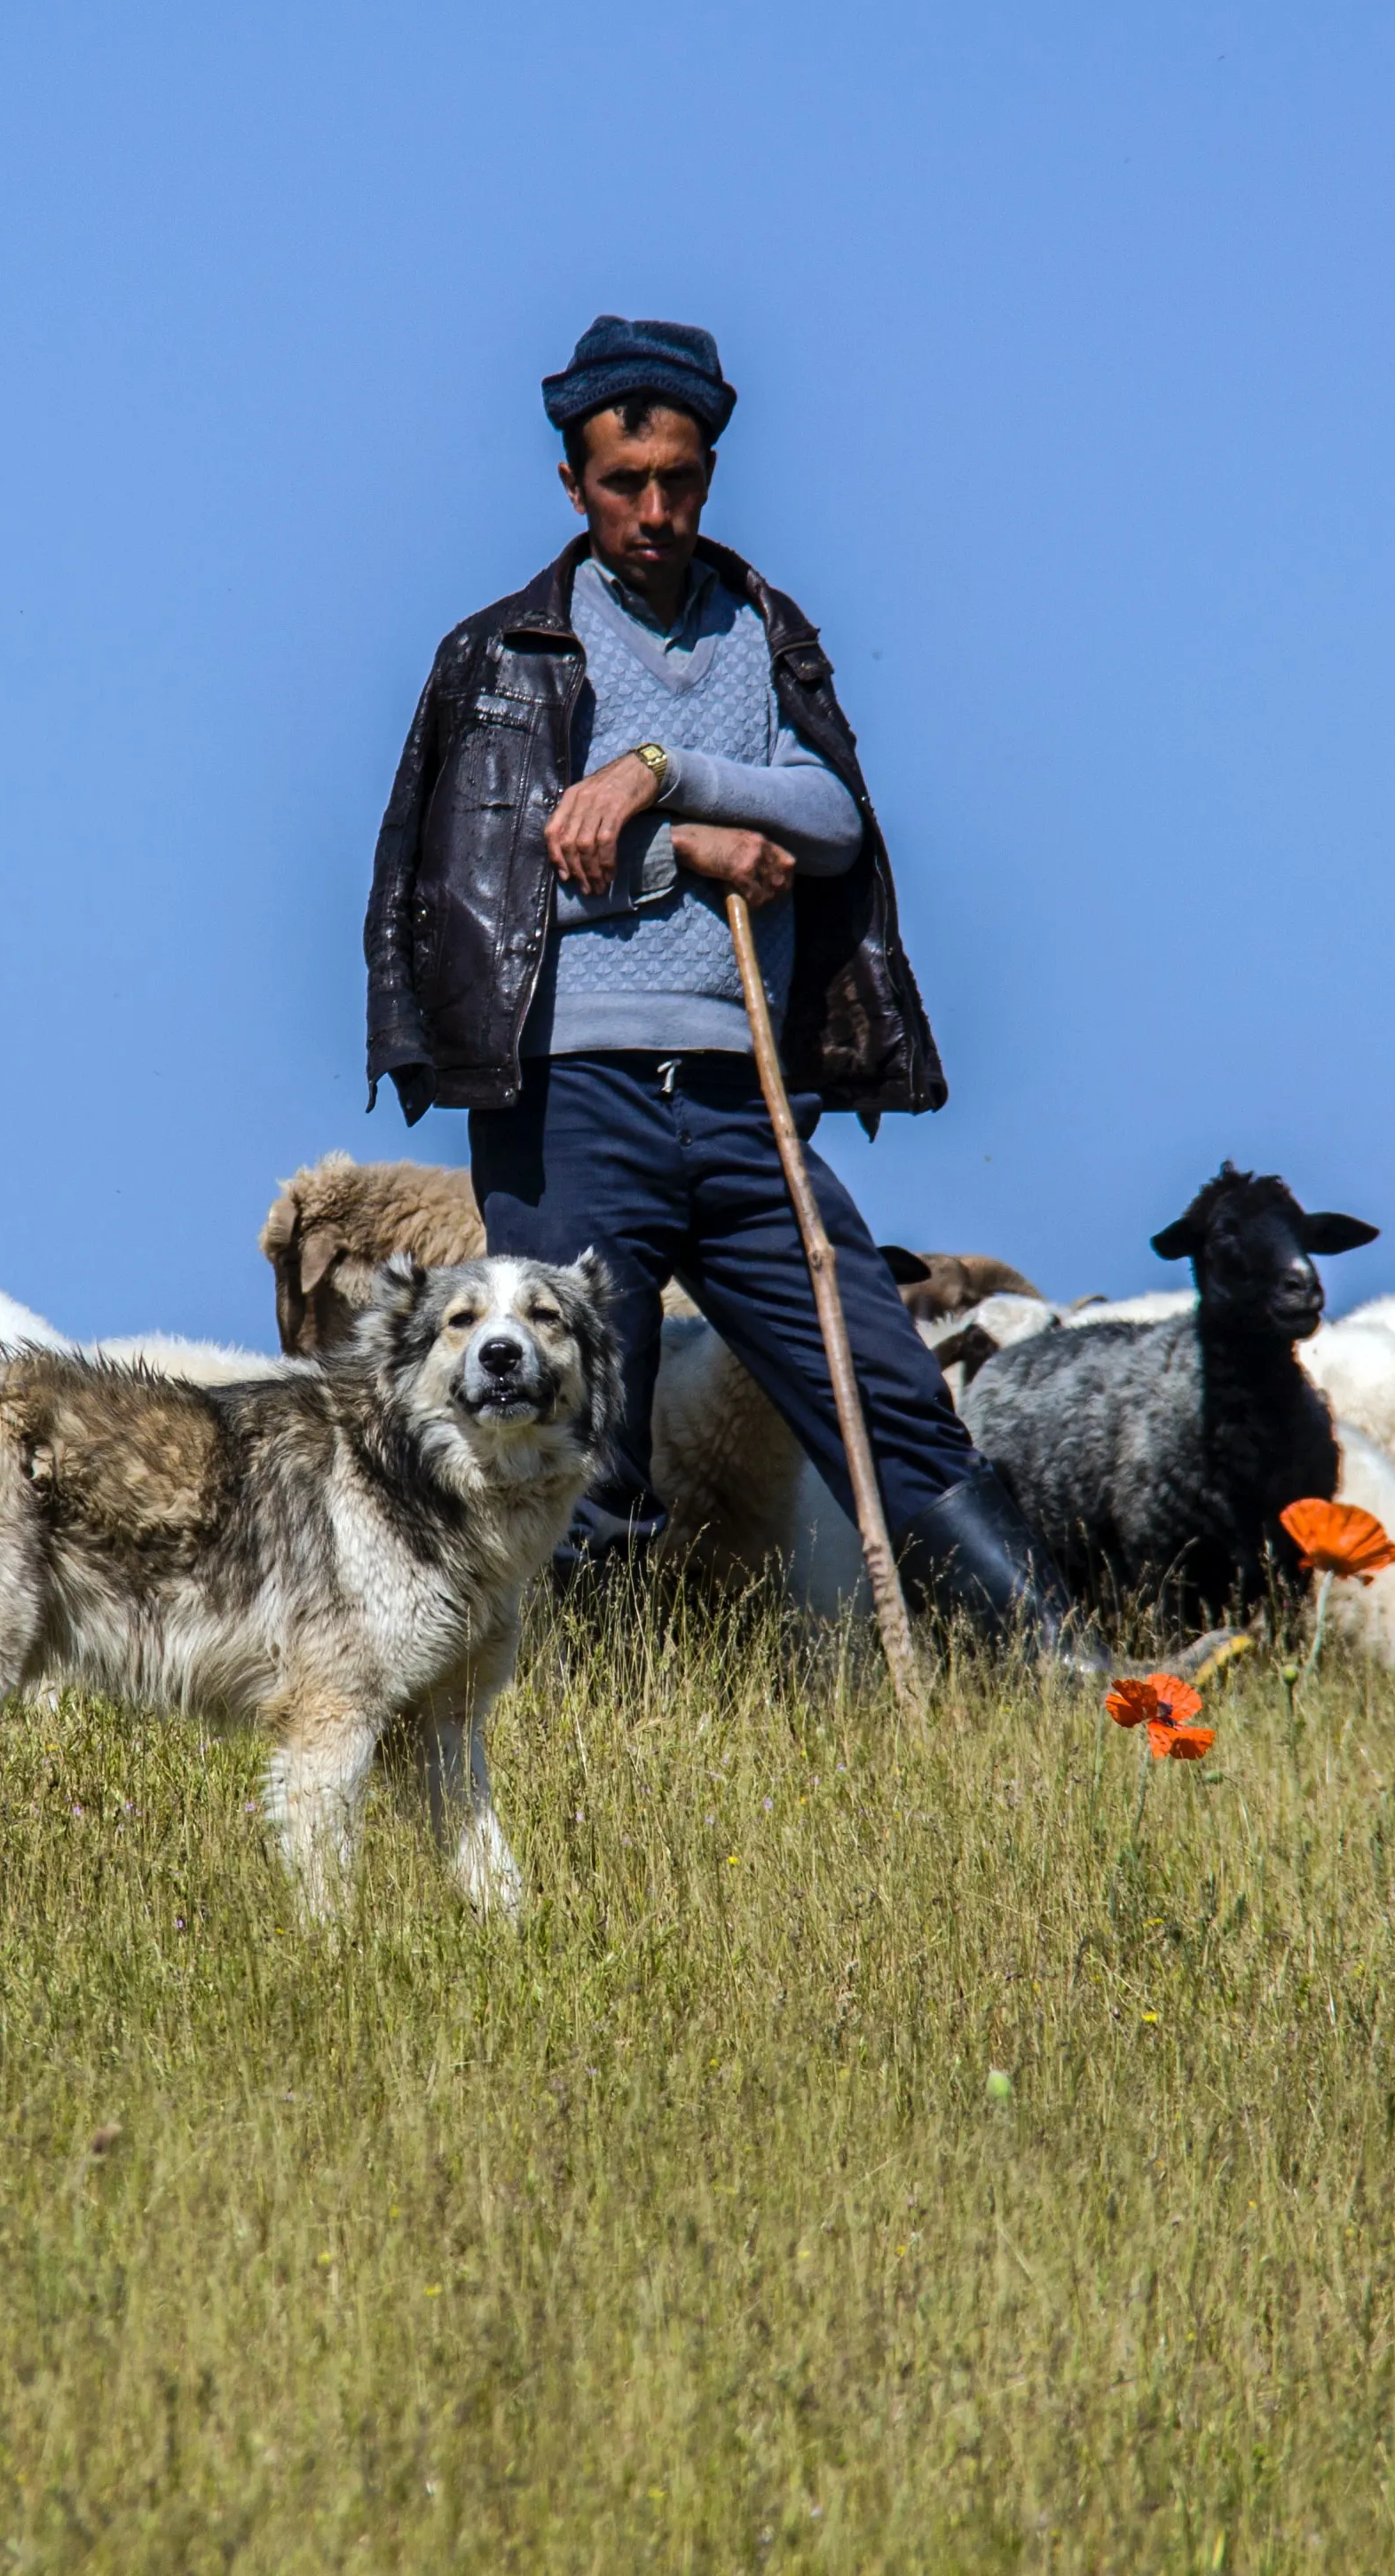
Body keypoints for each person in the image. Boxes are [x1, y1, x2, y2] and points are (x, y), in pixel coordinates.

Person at [361, 314, 1098, 1671]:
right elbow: (490, 872)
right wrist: (686, 849)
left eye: (681, 481)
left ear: (709, 472)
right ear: (572, 485)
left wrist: (661, 772)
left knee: (885, 1382)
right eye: (623, 483)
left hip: (747, 1108)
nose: (655, 510)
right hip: (573, 1098)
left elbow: (828, 816)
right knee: (588, 1426)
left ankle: (1068, 1676)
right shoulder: (501, 658)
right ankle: (569, 1729)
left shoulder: (765, 630)